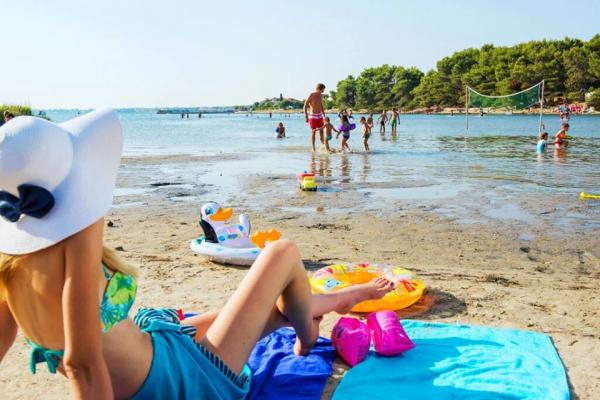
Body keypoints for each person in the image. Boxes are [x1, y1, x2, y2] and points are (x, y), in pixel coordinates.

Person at [0, 109, 395, 399]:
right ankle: (309, 333)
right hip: (175, 382)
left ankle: (330, 303)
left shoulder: (8, 259)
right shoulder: (76, 242)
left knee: (235, 313)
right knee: (281, 251)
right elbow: (81, 365)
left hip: (156, 353)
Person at [304, 83, 327, 152]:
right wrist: (306, 116)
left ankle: (323, 146)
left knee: (321, 131)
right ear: (319, 88)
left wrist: (324, 115)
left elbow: (321, 105)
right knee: (313, 132)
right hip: (312, 116)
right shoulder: (312, 95)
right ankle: (313, 148)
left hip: (320, 115)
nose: (323, 91)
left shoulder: (321, 95)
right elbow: (305, 105)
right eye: (323, 89)